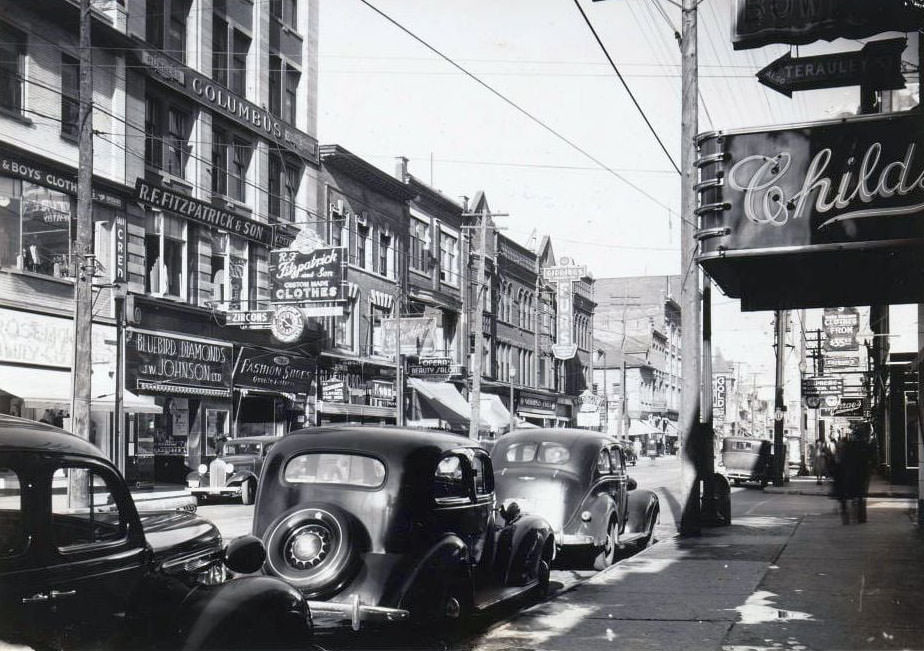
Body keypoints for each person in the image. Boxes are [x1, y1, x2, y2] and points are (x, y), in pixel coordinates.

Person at [833, 422, 874, 524]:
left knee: (848, 495)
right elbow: (870, 461)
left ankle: (847, 515)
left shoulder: (848, 446)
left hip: (850, 474)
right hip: (861, 474)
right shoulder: (865, 446)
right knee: (860, 495)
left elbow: (842, 461)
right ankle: (861, 516)